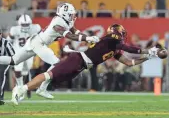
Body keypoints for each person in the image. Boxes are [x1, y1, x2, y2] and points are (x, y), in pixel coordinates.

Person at [11, 24, 159, 105]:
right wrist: (146, 51)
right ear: (116, 33)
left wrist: (148, 57)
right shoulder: (111, 39)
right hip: (78, 59)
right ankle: (21, 89)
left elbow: (129, 62)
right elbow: (129, 48)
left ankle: (39, 89)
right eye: (121, 34)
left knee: (51, 78)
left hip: (81, 66)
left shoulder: (114, 49)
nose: (122, 37)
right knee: (48, 75)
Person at [0, 3, 100, 99]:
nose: (74, 16)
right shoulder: (58, 22)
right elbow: (70, 36)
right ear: (65, 14)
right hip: (39, 44)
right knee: (57, 64)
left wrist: (86, 37)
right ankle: (42, 89)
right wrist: (88, 38)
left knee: (13, 60)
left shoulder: (67, 20)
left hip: (34, 41)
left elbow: (75, 31)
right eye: (71, 13)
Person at [7, 14, 41, 100]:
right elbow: (8, 41)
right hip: (18, 52)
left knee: (26, 72)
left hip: (29, 52)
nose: (25, 27)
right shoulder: (14, 30)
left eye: (27, 24)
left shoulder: (35, 28)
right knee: (18, 69)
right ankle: (20, 87)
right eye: (23, 24)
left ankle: (25, 88)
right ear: (19, 23)